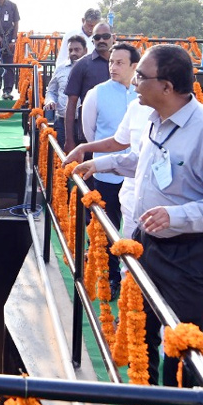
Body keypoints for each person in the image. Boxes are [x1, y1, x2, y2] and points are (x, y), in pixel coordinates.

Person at [74, 44, 203, 405]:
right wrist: (97, 161)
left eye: (142, 77)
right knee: (144, 326)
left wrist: (177, 215)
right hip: (149, 240)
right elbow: (145, 162)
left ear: (167, 86)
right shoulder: (154, 118)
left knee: (182, 342)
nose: (135, 82)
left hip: (189, 252)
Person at [76, 42, 139, 295]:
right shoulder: (97, 93)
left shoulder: (145, 96)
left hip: (138, 178)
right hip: (106, 173)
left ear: (135, 66)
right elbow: (89, 131)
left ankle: (135, 283)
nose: (113, 67)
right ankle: (112, 277)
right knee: (107, 226)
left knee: (135, 230)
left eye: (120, 62)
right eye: (111, 62)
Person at [63, 22, 114, 151]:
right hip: (90, 136)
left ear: (114, 37)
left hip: (120, 134)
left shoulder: (125, 64)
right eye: (97, 37)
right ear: (92, 40)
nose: (101, 40)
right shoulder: (82, 65)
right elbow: (71, 104)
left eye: (106, 36)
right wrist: (69, 140)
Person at [42, 34, 86, 142]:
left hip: (85, 123)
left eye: (77, 49)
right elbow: (51, 90)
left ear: (85, 50)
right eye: (70, 50)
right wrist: (50, 100)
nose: (73, 53)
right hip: (62, 121)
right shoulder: (61, 69)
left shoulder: (91, 69)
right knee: (62, 155)